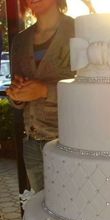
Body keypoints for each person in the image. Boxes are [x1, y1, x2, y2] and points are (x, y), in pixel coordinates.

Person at [6, 0, 75, 192]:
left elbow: (93, 90)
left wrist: (45, 90)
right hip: (32, 142)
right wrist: (17, 95)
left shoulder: (77, 32)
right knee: (41, 209)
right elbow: (17, 97)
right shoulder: (20, 41)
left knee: (71, 209)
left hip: (70, 141)